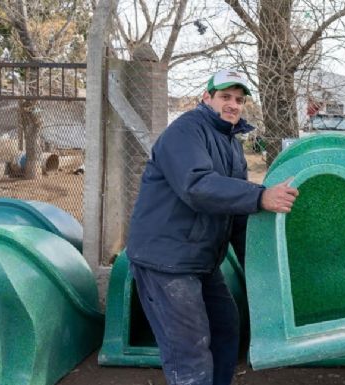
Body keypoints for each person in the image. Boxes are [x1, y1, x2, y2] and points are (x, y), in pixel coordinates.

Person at [126, 69, 299, 385]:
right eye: (225, 97)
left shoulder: (230, 143)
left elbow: (235, 213)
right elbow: (197, 186)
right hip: (167, 259)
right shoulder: (186, 132)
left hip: (200, 259)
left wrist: (262, 273)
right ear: (206, 98)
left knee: (225, 328)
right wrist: (260, 196)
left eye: (239, 99)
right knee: (188, 351)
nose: (233, 105)